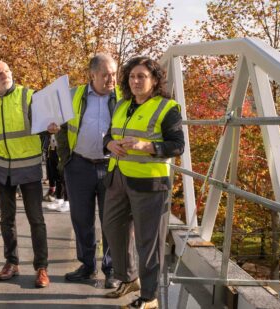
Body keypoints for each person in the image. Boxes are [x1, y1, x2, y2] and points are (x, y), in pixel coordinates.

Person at [103, 56, 184, 308]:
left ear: (154, 79)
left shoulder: (166, 107)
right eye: (132, 76)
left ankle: (149, 297)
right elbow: (109, 134)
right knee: (112, 228)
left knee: (148, 242)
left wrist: (146, 146)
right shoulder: (121, 104)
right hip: (118, 178)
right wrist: (110, 144)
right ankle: (128, 278)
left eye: (142, 76)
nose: (136, 81)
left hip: (149, 184)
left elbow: (177, 146)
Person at [0, 60, 59, 288]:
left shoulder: (29, 96)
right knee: (6, 219)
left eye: (6, 71)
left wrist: (48, 134)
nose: (4, 76)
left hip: (29, 167)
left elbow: (44, 127)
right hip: (1, 169)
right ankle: (11, 262)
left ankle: (41, 267)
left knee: (36, 219)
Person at [56, 53, 120, 289]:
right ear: (92, 75)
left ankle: (111, 269)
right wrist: (66, 161)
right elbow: (61, 129)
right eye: (105, 75)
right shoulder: (74, 95)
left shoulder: (123, 98)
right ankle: (87, 266)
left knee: (111, 221)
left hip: (111, 166)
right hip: (79, 166)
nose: (111, 79)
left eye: (114, 74)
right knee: (81, 219)